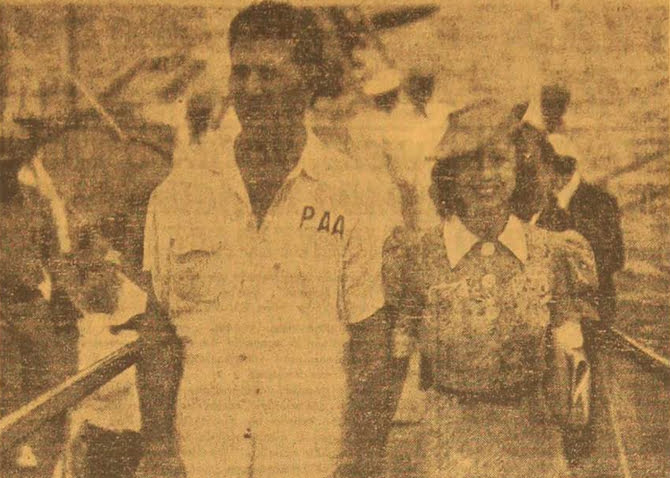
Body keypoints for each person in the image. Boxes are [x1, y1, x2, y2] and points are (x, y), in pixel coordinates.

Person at [135, 2, 393, 477]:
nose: (252, 89)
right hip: (204, 455)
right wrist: (158, 449)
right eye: (242, 72)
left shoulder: (355, 196)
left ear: (308, 82)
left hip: (309, 456)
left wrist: (359, 460)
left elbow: (372, 345)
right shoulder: (179, 195)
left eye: (269, 74)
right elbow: (159, 335)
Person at [384, 98, 598, 477]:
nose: (485, 174)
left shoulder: (552, 253)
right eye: (470, 161)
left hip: (534, 450)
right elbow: (394, 364)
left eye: (498, 160)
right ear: (451, 172)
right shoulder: (418, 255)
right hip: (447, 452)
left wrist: (574, 421)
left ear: (519, 168)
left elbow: (572, 358)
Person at [0, 121, 80, 478]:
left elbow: (52, 254)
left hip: (30, 303)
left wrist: (62, 292)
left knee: (51, 388)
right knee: (6, 393)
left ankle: (45, 463)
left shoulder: (34, 201)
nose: (6, 165)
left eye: (12, 158)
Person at [533, 135, 625, 322]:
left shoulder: (601, 202)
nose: (538, 176)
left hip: (594, 307)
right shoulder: (546, 201)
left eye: (541, 169)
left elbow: (615, 258)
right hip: (554, 307)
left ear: (557, 170)